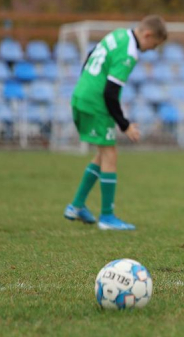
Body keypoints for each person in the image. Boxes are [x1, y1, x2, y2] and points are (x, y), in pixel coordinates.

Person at [63, 15, 168, 230]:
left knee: (102, 154)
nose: (151, 49)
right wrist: (125, 124)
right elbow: (111, 92)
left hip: (83, 95)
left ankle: (76, 205)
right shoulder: (129, 53)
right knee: (110, 154)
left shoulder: (118, 35)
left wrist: (86, 84)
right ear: (147, 35)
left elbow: (91, 55)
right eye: (154, 44)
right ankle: (107, 217)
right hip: (96, 102)